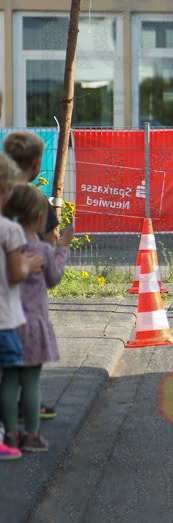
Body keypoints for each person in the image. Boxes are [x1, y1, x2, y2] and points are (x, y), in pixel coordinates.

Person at [1, 184, 71, 453]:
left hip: (8, 324)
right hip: (35, 327)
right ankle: (31, 435)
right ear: (40, 217)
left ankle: (10, 436)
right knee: (30, 381)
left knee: (8, 380)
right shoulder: (42, 251)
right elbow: (53, 279)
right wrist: (62, 247)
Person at [0, 155, 43, 461]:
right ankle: (13, 435)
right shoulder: (10, 231)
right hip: (5, 320)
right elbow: (16, 275)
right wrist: (27, 265)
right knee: (13, 377)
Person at [2, 132, 59, 245]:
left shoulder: (2, 194)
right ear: (36, 164)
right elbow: (50, 241)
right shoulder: (37, 199)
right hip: (33, 260)